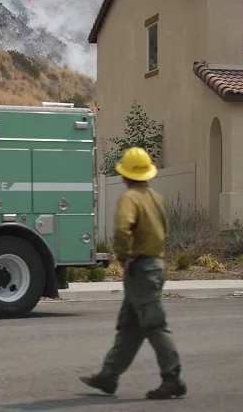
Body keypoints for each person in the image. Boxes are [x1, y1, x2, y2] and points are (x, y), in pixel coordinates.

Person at [79, 146, 186, 400]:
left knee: (154, 325)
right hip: (154, 266)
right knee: (130, 326)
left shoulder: (129, 199)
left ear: (126, 175)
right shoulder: (156, 199)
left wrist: (124, 256)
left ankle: (173, 380)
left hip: (140, 269)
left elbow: (122, 229)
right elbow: (164, 232)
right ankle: (109, 375)